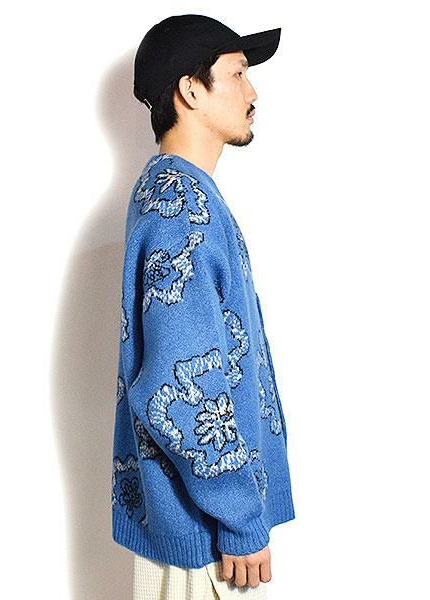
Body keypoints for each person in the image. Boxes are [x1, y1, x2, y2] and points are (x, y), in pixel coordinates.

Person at [111, 14, 295, 599]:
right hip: (206, 538)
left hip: (199, 526)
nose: (252, 91)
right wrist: (240, 518)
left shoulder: (182, 194)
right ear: (191, 90)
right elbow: (178, 387)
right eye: (237, 74)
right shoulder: (180, 209)